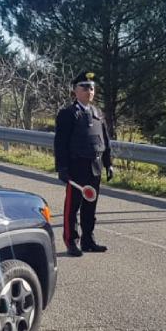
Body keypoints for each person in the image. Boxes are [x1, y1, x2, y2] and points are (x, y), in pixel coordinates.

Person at [53, 71, 114, 257]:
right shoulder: (68, 114)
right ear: (75, 91)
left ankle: (88, 240)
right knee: (73, 208)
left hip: (95, 168)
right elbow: (60, 143)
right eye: (85, 87)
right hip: (76, 168)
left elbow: (105, 140)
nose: (90, 91)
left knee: (90, 207)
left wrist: (108, 163)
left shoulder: (97, 113)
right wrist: (62, 168)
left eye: (92, 88)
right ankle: (72, 241)